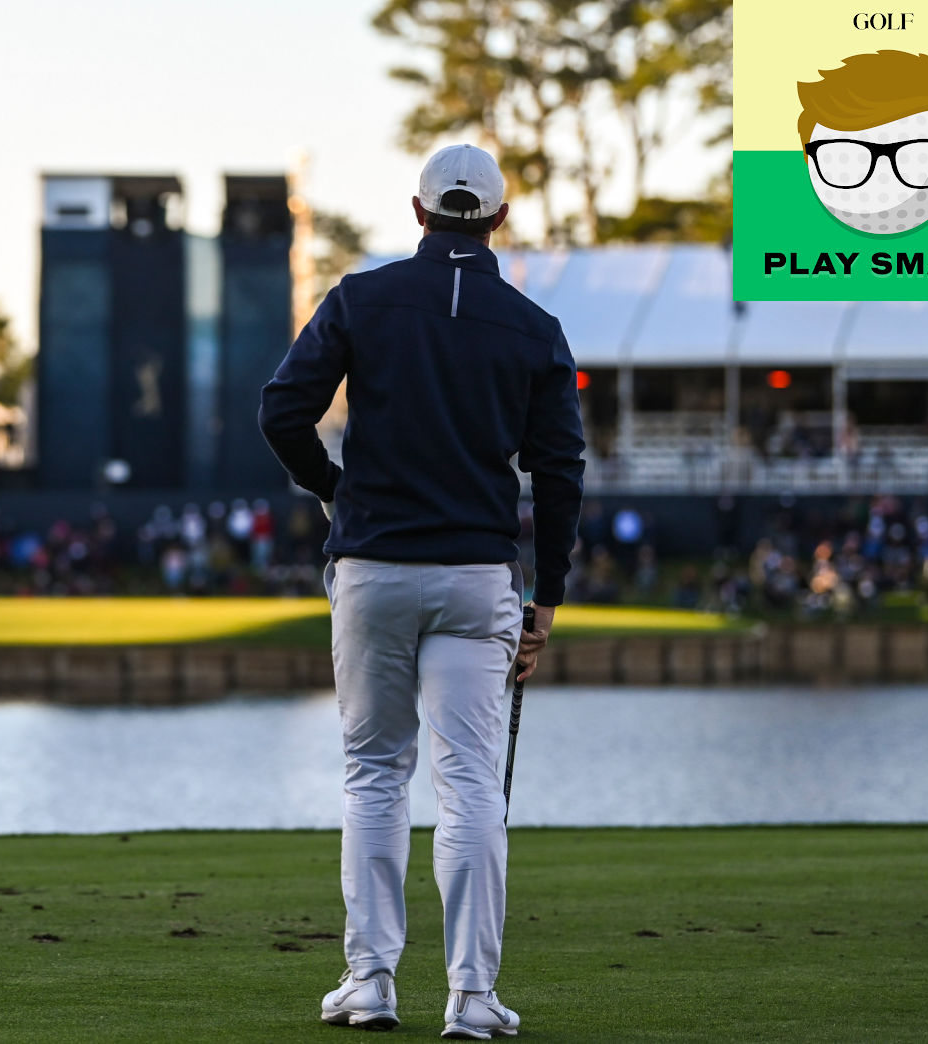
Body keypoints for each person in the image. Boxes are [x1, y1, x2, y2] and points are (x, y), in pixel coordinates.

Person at [258, 143, 585, 1038]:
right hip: (479, 575)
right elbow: (560, 469)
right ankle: (472, 999)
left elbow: (281, 411)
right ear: (499, 221)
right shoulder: (533, 326)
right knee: (472, 782)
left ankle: (369, 983)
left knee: (373, 773)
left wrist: (335, 491)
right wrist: (548, 594)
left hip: (372, 566)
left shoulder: (361, 298)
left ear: (418, 212)